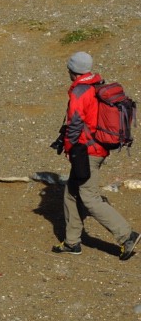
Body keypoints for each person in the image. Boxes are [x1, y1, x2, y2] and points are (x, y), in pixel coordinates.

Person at [53, 52, 139, 258]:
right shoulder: (97, 84)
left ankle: (126, 235)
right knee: (71, 193)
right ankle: (72, 242)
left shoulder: (80, 91)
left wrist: (69, 148)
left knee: (89, 197)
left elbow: (74, 122)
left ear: (72, 71)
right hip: (97, 148)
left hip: (86, 151)